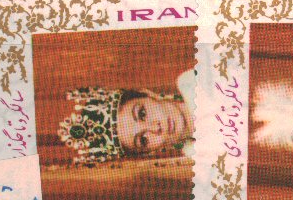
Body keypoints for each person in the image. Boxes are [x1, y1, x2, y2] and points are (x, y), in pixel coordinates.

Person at [56, 66, 196, 165]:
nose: (155, 127)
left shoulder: (194, 81)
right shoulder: (196, 159)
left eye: (142, 114)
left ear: (146, 94)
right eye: (143, 140)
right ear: (149, 152)